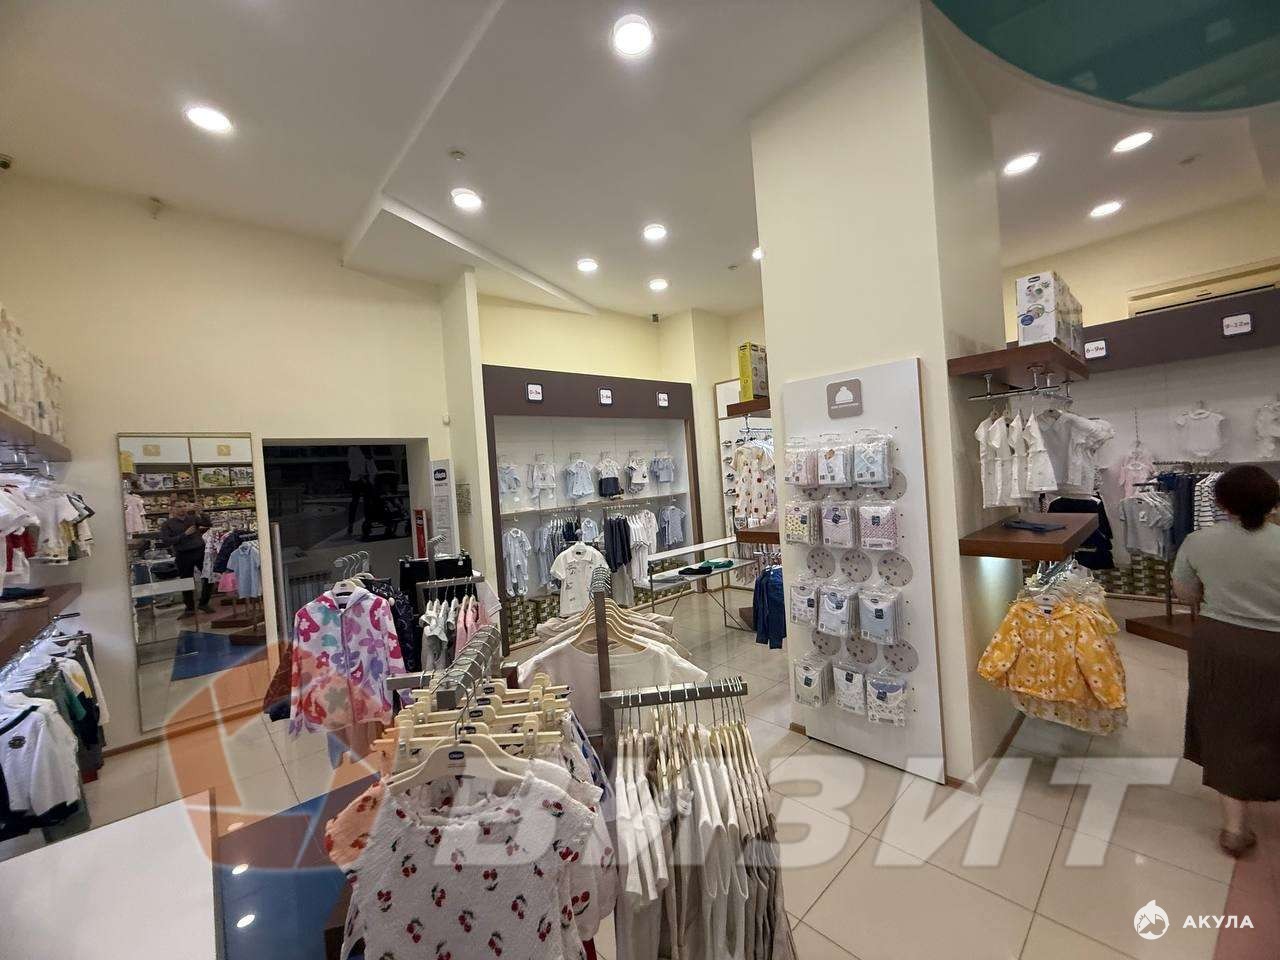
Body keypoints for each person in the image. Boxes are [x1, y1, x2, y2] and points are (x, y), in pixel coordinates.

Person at [1172, 465, 1280, 857]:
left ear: (1220, 503)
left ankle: (1235, 829)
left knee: (1226, 726)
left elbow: (1186, 593)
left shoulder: (1198, 542)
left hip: (1222, 643)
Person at [160, 500, 214, 617]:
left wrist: (201, 512)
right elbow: (166, 541)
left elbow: (208, 524)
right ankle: (189, 608)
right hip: (183, 554)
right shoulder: (167, 524)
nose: (182, 508)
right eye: (179, 506)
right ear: (172, 509)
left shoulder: (193, 518)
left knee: (209, 577)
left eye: (184, 506)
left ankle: (204, 603)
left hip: (200, 551)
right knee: (186, 582)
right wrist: (185, 534)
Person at [346, 445, 378, 539]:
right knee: (355, 502)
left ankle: (368, 524)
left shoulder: (367, 448)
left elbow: (372, 465)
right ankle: (350, 524)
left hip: (367, 479)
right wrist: (360, 476)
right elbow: (351, 465)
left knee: (367, 502)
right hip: (356, 479)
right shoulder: (352, 449)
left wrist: (374, 478)